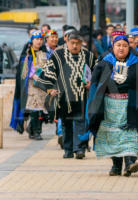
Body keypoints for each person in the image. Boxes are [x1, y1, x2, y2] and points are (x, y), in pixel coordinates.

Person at [87, 35, 138, 177]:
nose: (121, 48)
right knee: (113, 137)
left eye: (124, 46)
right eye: (118, 45)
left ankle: (130, 163)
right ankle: (116, 165)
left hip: (131, 107)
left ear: (129, 48)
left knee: (130, 134)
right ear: (113, 47)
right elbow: (95, 86)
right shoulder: (103, 64)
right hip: (109, 107)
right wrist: (94, 105)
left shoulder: (137, 64)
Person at [35, 31, 96, 159]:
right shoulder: (58, 55)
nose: (75, 46)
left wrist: (91, 83)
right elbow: (48, 71)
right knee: (66, 123)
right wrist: (50, 88)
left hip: (82, 96)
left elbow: (96, 70)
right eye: (72, 43)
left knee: (81, 122)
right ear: (67, 42)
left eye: (78, 44)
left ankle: (79, 149)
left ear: (81, 44)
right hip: (63, 96)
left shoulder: (88, 55)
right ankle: (68, 149)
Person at [10, 30, 48, 140]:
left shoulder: (44, 53)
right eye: (37, 39)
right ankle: (36, 132)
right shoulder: (26, 54)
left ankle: (32, 129)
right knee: (34, 109)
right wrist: (32, 75)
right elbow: (23, 71)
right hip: (30, 85)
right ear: (32, 41)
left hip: (42, 85)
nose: (39, 41)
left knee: (40, 108)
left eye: (41, 39)